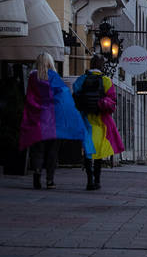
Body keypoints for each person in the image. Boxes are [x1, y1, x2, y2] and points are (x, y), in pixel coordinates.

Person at [19, 52, 91, 189]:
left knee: (38, 150)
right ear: (50, 62)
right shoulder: (54, 77)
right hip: (53, 121)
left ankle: (37, 175)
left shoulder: (32, 78)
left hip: (38, 119)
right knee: (52, 151)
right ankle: (50, 180)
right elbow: (64, 95)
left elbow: (29, 97)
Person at [73, 55, 124, 190]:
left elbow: (75, 95)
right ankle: (97, 180)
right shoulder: (106, 81)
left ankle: (89, 180)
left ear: (90, 65)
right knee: (99, 152)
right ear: (102, 66)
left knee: (88, 150)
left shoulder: (81, 79)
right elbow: (112, 103)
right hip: (101, 121)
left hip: (85, 119)